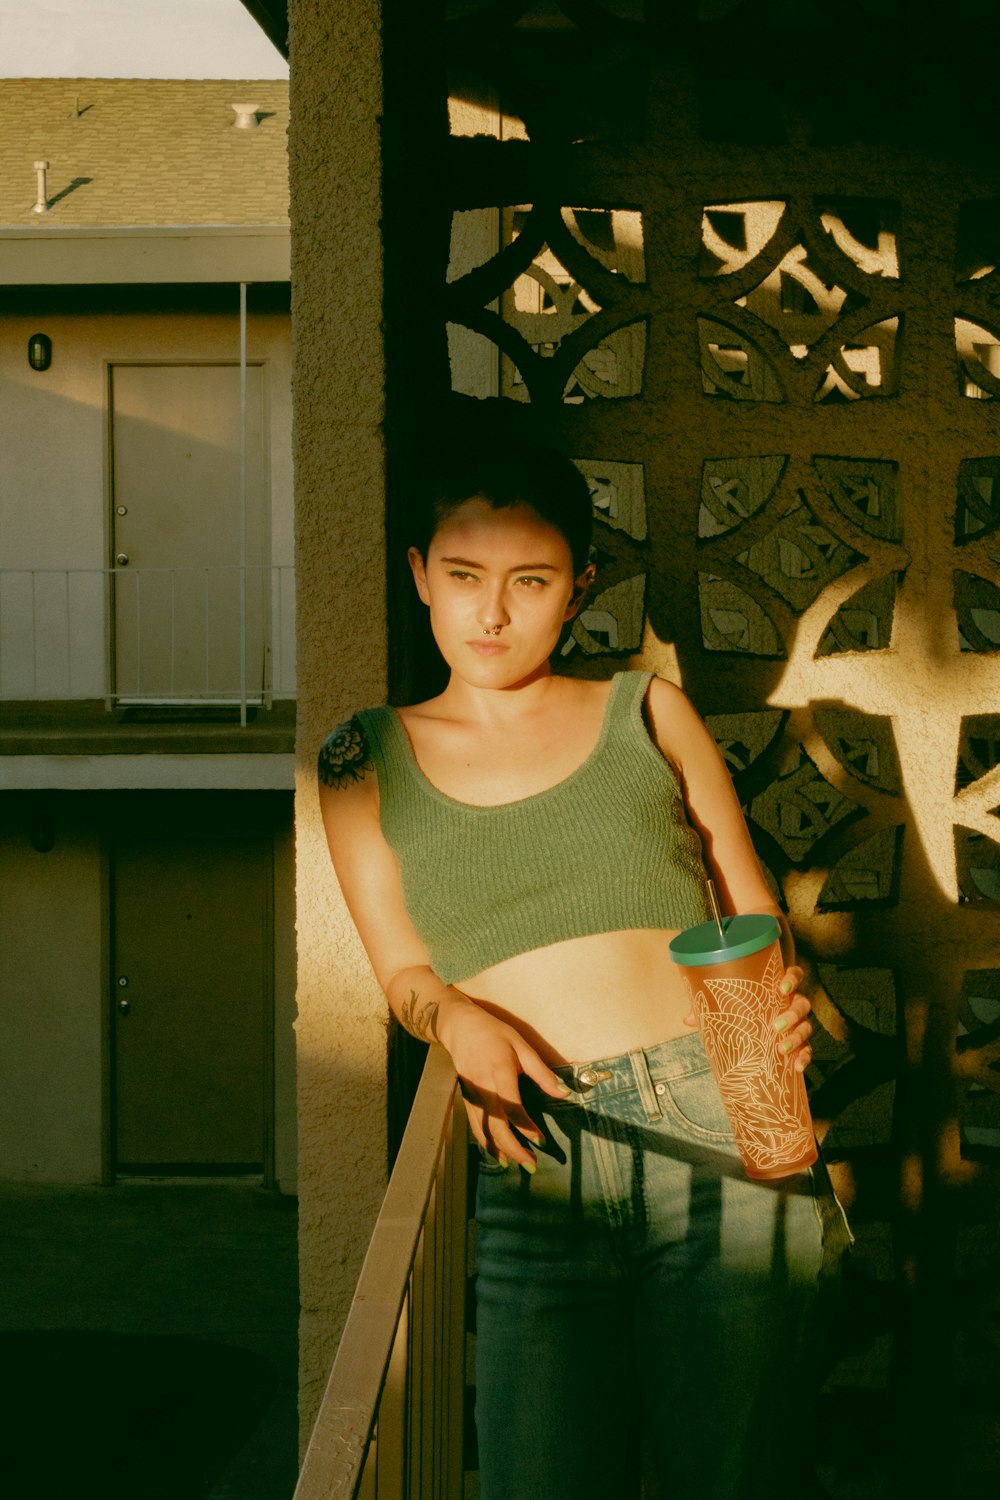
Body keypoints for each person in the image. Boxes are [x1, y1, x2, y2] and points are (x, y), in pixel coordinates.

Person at [318, 437, 851, 1500]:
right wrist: (453, 1020)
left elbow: (744, 903)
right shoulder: (358, 756)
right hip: (541, 1159)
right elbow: (403, 967)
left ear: (578, 590)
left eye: (530, 582)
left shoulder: (645, 709)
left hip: (721, 1126)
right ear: (419, 573)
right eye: (463, 578)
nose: (491, 614)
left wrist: (769, 1036)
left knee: (741, 1477)